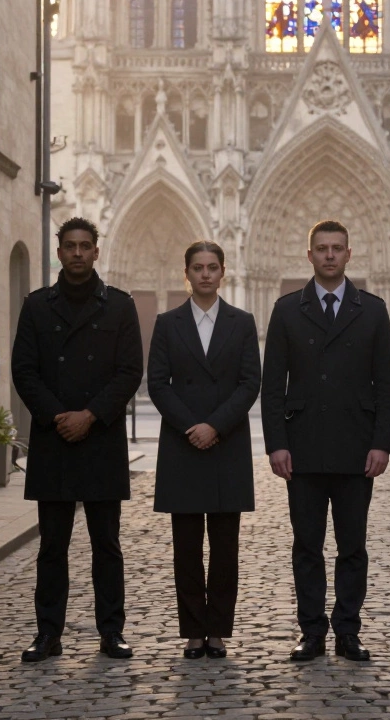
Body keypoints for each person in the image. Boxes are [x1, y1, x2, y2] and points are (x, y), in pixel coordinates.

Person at [261, 219, 390, 662]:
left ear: (349, 253)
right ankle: (312, 631)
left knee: (353, 547)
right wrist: (276, 444)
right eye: (322, 248)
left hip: (357, 449)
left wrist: (382, 443)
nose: (330, 255)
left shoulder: (372, 310)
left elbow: (386, 386)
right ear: (310, 255)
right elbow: (272, 386)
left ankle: (348, 631)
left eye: (337, 248)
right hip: (302, 448)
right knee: (307, 547)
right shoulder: (286, 309)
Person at [11, 216, 144, 662]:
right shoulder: (36, 306)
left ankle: (111, 632)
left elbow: (129, 372)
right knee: (51, 547)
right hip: (53, 441)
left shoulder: (121, 306)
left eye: (85, 246)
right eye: (70, 246)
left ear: (97, 251)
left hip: (100, 440)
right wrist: (57, 416)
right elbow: (24, 371)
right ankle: (47, 633)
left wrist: (90, 416)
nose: (78, 253)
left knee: (107, 546)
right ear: (60, 250)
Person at [148, 241, 261, 660]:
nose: (206, 274)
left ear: (223, 272)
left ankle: (218, 630)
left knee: (226, 546)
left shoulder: (242, 322)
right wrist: (190, 427)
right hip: (183, 444)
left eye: (213, 267)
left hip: (226, 443)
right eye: (198, 267)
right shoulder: (167, 322)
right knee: (187, 546)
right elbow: (158, 383)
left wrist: (215, 425)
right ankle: (193, 630)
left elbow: (251, 382)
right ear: (187, 273)